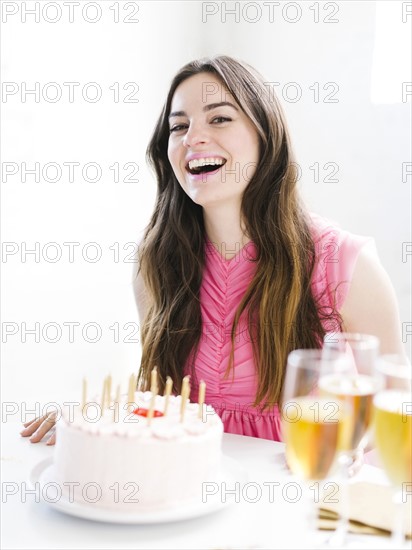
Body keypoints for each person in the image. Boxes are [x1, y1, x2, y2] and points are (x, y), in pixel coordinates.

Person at [21, 55, 407, 445]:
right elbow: (164, 407)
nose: (192, 138)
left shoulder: (346, 265)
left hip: (304, 497)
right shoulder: (155, 262)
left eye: (219, 118)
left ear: (265, 132)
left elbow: (396, 421)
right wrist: (98, 415)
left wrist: (353, 456)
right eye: (179, 126)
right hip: (189, 495)